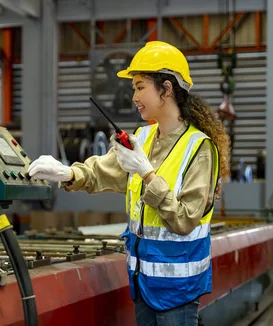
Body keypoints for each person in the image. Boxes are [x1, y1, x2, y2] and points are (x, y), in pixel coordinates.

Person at [27, 41, 231, 326]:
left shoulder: (199, 149)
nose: (133, 96)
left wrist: (147, 174)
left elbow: (185, 220)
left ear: (167, 89)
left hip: (178, 291)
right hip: (142, 284)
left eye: (139, 86)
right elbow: (103, 170)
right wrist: (67, 173)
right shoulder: (143, 138)